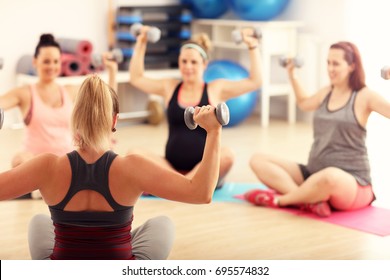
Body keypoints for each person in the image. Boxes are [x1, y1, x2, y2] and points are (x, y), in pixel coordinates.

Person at [0, 75, 222, 260]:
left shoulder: (47, 166)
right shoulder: (132, 167)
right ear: (115, 120)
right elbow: (201, 193)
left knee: (39, 222)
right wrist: (213, 131)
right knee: (163, 224)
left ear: (74, 119)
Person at [245, 41, 390, 217]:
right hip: (313, 173)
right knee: (258, 159)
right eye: (328, 63)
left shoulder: (364, 96)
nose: (330, 68)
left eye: (336, 63)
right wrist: (292, 75)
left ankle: (282, 200)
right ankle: (309, 199)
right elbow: (304, 103)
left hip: (352, 183)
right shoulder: (327, 92)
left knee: (329, 177)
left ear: (352, 66)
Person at [129, 27, 262, 189]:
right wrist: (141, 43)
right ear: (178, 62)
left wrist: (252, 45)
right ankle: (183, 185)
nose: (188, 66)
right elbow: (136, 78)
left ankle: (181, 185)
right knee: (134, 153)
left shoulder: (215, 89)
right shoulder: (170, 87)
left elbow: (255, 81)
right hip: (171, 168)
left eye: (194, 62)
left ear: (205, 64)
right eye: (184, 61)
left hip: (204, 170)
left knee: (227, 155)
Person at [0, 34, 117, 198]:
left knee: (101, 151)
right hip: (34, 162)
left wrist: (112, 70)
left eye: (56, 61)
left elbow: (106, 100)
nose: (51, 66)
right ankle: (51, 186)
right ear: (35, 62)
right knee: (19, 159)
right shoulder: (24, 93)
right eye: (46, 61)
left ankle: (46, 187)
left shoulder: (69, 90)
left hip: (66, 162)